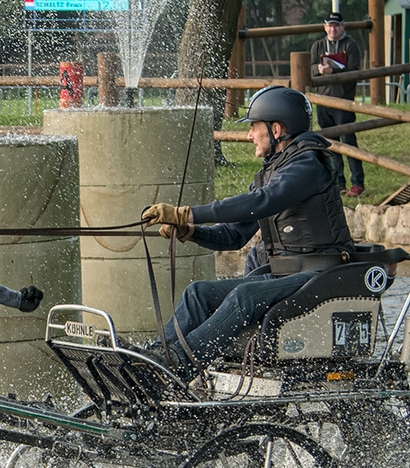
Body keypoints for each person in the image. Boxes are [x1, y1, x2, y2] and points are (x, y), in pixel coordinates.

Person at [140, 86, 355, 382]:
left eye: (254, 127)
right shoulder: (274, 172)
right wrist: (190, 230)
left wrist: (187, 212)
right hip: (286, 276)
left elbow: (262, 201)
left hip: (320, 276)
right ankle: (150, 358)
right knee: (197, 294)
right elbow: (234, 236)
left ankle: (177, 362)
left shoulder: (308, 165)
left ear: (276, 129)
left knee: (245, 294)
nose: (249, 135)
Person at [310, 11, 366, 198]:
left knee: (349, 141)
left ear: (343, 27)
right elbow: (308, 68)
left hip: (343, 101)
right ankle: (337, 182)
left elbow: (354, 71)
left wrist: (332, 70)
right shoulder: (317, 45)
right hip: (323, 100)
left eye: (336, 25)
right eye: (330, 25)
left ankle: (357, 183)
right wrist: (318, 69)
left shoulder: (351, 46)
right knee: (330, 144)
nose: (333, 29)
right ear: (325, 27)